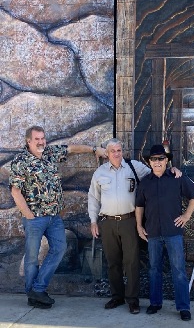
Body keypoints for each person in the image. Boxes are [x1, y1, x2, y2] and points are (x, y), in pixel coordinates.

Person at [9, 125, 106, 309]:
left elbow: (71, 148)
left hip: (54, 217)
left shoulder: (50, 153)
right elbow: (15, 191)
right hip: (34, 219)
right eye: (37, 139)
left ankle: (37, 289)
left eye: (43, 138)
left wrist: (94, 149)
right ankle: (34, 295)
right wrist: (29, 215)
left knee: (59, 248)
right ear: (28, 141)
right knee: (31, 258)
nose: (41, 142)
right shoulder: (20, 161)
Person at [88, 139, 181, 314]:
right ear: (107, 154)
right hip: (107, 222)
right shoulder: (99, 173)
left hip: (129, 221)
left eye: (119, 150)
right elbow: (93, 198)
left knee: (131, 262)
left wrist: (172, 170)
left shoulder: (134, 167)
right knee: (113, 262)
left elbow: (157, 172)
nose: (116, 153)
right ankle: (117, 297)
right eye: (113, 151)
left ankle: (132, 300)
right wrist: (93, 221)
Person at [135, 144, 194, 321]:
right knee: (154, 269)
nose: (157, 162)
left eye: (161, 159)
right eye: (154, 159)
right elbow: (139, 206)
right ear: (149, 162)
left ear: (166, 160)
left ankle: (183, 307)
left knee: (178, 270)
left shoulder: (177, 178)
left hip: (173, 233)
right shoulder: (145, 183)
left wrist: (186, 215)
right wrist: (139, 226)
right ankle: (155, 303)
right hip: (153, 233)